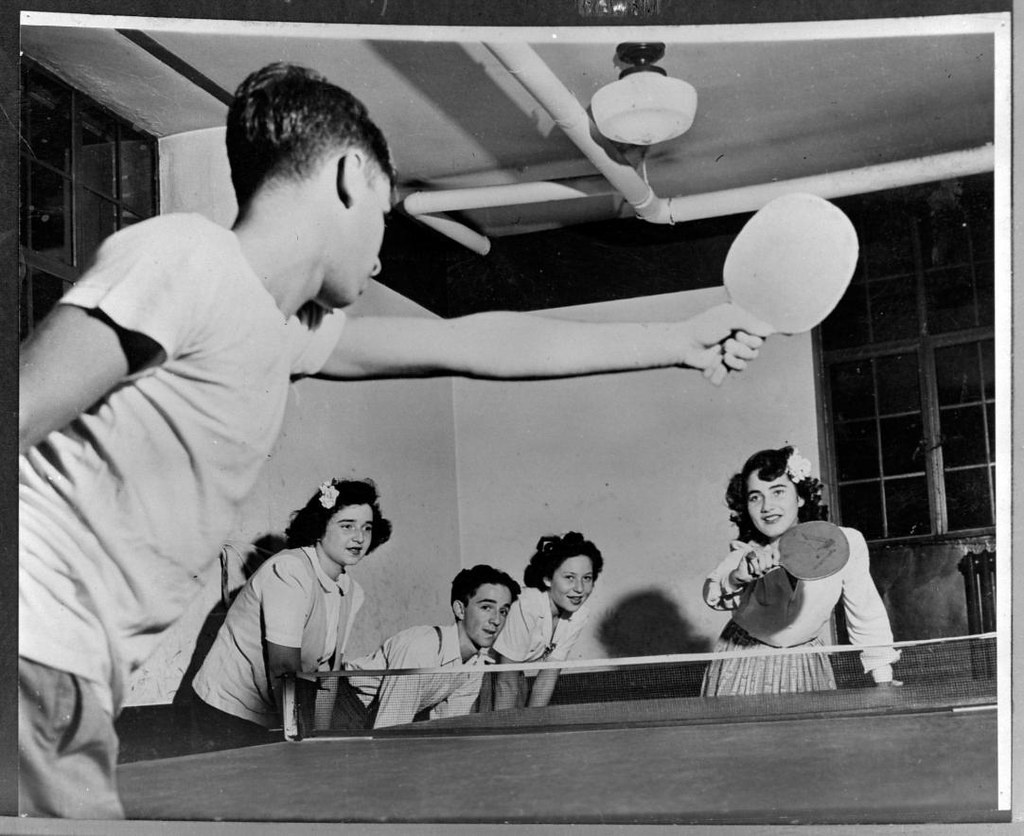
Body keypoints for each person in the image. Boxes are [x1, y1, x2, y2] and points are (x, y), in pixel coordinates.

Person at [18, 61, 769, 818]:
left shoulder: (280, 330)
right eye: (383, 214)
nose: (380, 256)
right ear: (349, 176)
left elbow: (475, 345)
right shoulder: (187, 257)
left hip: (81, 677)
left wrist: (676, 339)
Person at [188, 477, 389, 749]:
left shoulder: (352, 591)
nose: (359, 537)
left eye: (367, 527)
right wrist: (303, 738)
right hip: (225, 710)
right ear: (320, 527)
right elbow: (284, 668)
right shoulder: (289, 570)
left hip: (274, 712)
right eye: (347, 526)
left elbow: (329, 676)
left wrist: (320, 736)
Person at [700, 446, 900, 696]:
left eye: (778, 491)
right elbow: (713, 591)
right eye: (755, 497)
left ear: (800, 497)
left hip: (807, 666)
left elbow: (866, 612)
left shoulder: (843, 543)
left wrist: (883, 677)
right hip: (743, 663)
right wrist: (737, 577)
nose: (766, 506)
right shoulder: (744, 554)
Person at [336, 565, 520, 728]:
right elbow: (390, 726)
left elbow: (448, 726)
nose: (496, 620)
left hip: (373, 715)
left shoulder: (476, 664)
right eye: (486, 607)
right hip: (341, 700)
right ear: (460, 610)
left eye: (503, 611)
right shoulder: (420, 648)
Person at [492, 532, 603, 709]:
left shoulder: (579, 615)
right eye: (569, 577)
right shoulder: (527, 605)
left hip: (513, 679)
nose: (580, 588)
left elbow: (547, 678)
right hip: (482, 677)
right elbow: (505, 683)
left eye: (587, 578)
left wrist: (535, 722)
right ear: (547, 579)